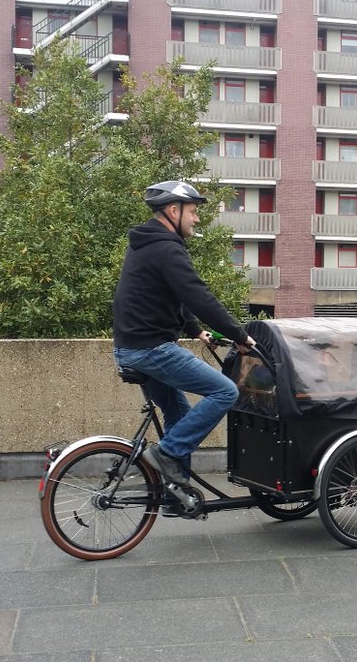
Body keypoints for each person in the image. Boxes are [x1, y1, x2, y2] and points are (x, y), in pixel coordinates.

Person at [112, 180, 255, 488]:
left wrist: (196, 330)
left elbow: (172, 295)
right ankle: (166, 454)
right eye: (193, 211)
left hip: (134, 346)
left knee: (178, 413)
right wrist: (239, 335)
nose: (197, 218)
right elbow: (196, 295)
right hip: (150, 349)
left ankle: (174, 494)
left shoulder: (147, 244)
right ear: (173, 210)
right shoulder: (165, 248)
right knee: (225, 392)